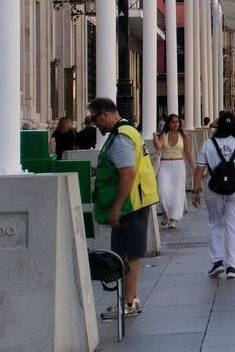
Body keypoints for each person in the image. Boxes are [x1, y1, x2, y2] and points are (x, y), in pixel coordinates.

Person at [89, 97, 159, 319]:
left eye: (95, 119)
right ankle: (132, 299)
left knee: (128, 253)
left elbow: (127, 173)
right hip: (137, 200)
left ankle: (128, 302)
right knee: (131, 252)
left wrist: (116, 207)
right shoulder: (128, 131)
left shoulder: (121, 137)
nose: (95, 124)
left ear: (105, 114)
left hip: (130, 204)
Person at [192, 112, 235, 279]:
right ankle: (232, 267)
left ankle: (217, 262)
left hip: (214, 189)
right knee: (234, 227)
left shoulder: (208, 144)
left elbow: (199, 168)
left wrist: (195, 191)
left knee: (215, 224)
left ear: (219, 125)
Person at [153, 114, 195, 230]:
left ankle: (172, 219)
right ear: (168, 123)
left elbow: (187, 152)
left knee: (177, 192)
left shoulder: (184, 136)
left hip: (178, 165)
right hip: (164, 165)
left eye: (177, 122)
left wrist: (193, 165)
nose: (175, 124)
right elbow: (158, 146)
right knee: (163, 191)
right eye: (173, 122)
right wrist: (154, 135)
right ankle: (167, 213)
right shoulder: (164, 134)